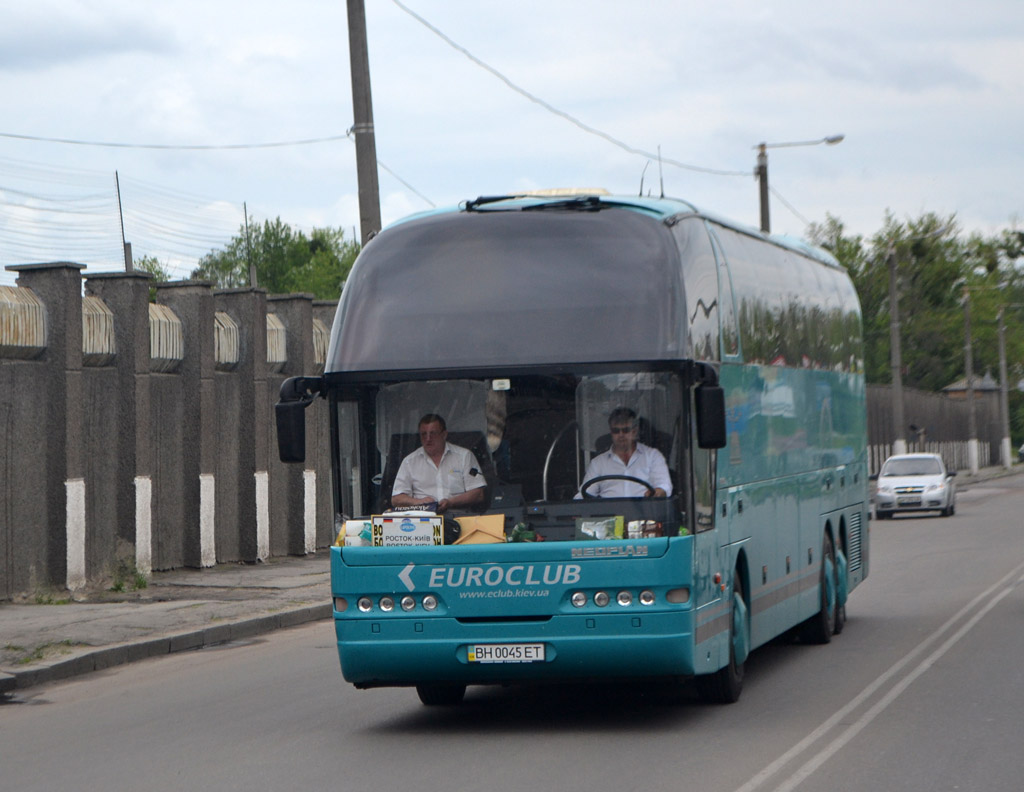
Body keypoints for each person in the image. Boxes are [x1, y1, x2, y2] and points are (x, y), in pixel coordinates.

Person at [391, 414, 486, 513]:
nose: (428, 439)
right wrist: (417, 502)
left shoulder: (464, 456)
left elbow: (478, 494)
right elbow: (396, 499)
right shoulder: (409, 462)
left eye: (433, 433)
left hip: (459, 519)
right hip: (423, 521)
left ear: (444, 434)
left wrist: (450, 502)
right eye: (424, 434)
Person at [577, 407, 672, 498]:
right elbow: (584, 495)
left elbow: (664, 486)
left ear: (634, 431)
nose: (621, 435)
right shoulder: (598, 463)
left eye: (626, 430)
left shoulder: (653, 456)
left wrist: (657, 493)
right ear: (611, 433)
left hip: (645, 513)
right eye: (616, 431)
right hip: (610, 513)